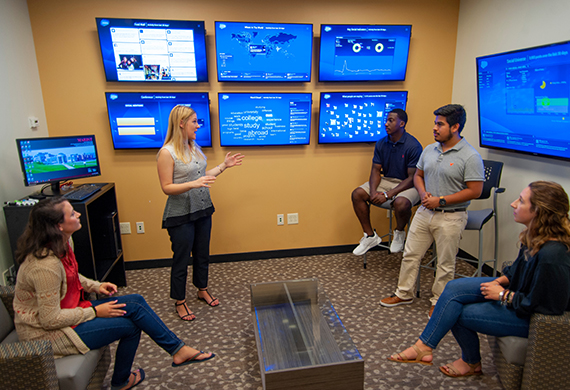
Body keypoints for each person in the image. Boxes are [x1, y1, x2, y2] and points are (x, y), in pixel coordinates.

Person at [13, 198, 216, 390]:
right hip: (49, 334)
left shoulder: (63, 243)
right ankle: (125, 379)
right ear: (58, 225)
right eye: (72, 214)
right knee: (130, 327)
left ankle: (177, 350)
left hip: (71, 311)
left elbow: (71, 276)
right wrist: (95, 312)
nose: (78, 215)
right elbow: (49, 319)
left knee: (136, 302)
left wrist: (95, 286)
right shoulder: (44, 266)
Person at [386, 181, 570, 377]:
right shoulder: (535, 236)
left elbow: (548, 307)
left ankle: (467, 361)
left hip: (533, 319)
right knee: (454, 289)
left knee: (458, 313)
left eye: (521, 201)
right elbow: (517, 271)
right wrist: (501, 281)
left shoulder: (553, 256)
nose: (513, 204)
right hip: (517, 296)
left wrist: (503, 295)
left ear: (539, 212)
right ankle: (425, 346)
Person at [380, 104, 484, 317]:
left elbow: (475, 190)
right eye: (435, 123)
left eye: (440, 124)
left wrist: (442, 201)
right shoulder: (429, 149)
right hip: (425, 212)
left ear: (455, 127)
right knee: (410, 254)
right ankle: (404, 293)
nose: (435, 128)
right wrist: (423, 193)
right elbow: (417, 175)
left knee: (445, 263)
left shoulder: (470, 156)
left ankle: (439, 301)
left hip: (451, 216)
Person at [157, 105, 244, 321]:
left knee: (202, 253)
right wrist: (193, 184)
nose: (198, 126)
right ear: (181, 123)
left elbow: (202, 176)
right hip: (180, 214)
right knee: (181, 258)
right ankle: (180, 301)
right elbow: (166, 187)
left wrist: (223, 166)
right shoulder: (166, 152)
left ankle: (202, 288)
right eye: (194, 122)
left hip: (203, 208)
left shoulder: (194, 146)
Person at [351, 108, 423, 255]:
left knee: (401, 203)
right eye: (386, 120)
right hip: (388, 180)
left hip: (409, 183)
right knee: (357, 194)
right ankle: (370, 236)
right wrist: (372, 192)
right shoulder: (381, 143)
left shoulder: (413, 146)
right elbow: (376, 170)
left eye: (391, 120)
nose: (386, 124)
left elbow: (412, 177)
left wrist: (387, 194)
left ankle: (399, 232)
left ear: (402, 123)